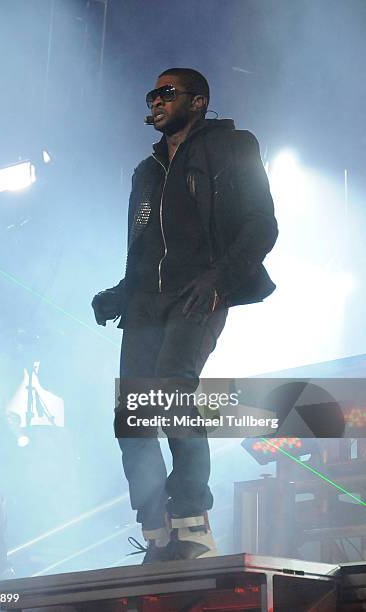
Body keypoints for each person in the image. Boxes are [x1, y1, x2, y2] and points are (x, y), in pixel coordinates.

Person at [92, 68, 278, 563]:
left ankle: (193, 522)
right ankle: (157, 530)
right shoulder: (146, 170)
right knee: (132, 418)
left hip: (199, 294)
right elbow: (143, 249)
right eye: (151, 92)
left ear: (198, 101)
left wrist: (218, 280)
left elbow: (262, 226)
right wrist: (119, 292)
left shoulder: (233, 145)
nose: (154, 99)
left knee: (173, 391)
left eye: (166, 92)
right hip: (145, 304)